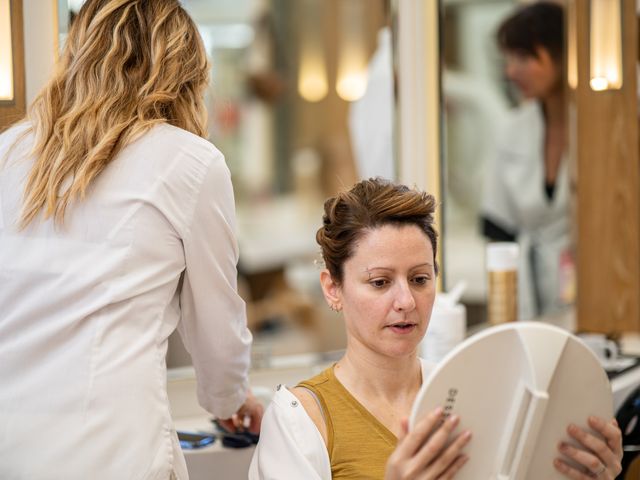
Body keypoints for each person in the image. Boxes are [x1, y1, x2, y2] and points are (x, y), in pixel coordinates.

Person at [0, 1, 262, 478]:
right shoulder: (191, 164)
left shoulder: (10, 151)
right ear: (183, 70)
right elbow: (216, 327)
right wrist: (228, 398)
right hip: (113, 453)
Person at [249, 177, 623, 479]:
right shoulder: (300, 420)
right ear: (333, 288)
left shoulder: (476, 395)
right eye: (380, 282)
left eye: (419, 279)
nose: (406, 302)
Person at [481, 2, 573, 320]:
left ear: (560, 54)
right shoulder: (513, 128)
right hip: (530, 296)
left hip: (600, 294)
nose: (511, 71)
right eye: (508, 59)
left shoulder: (602, 132)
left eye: (523, 57)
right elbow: (497, 228)